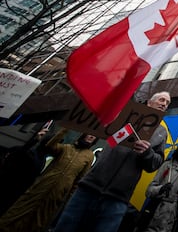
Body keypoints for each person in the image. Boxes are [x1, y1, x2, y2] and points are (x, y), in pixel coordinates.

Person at [53, 91, 171, 232]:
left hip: (118, 197)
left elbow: (155, 164)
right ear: (149, 102)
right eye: (162, 100)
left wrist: (147, 153)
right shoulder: (125, 116)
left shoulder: (161, 132)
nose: (164, 104)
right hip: (90, 187)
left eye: (167, 103)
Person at [0, 128, 97, 232]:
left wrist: (69, 200)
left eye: (94, 136)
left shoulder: (89, 156)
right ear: (83, 134)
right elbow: (50, 146)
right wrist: (64, 130)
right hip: (42, 185)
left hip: (56, 195)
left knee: (40, 220)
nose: (91, 136)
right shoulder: (67, 148)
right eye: (90, 133)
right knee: (20, 210)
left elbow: (79, 180)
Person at [139, 141, 178, 232]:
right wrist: (161, 188)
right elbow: (149, 190)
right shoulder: (167, 165)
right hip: (158, 210)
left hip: (171, 216)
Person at [0, 124, 53, 216]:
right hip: (7, 189)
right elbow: (19, 154)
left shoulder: (44, 159)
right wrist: (33, 141)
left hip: (16, 195)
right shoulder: (30, 154)